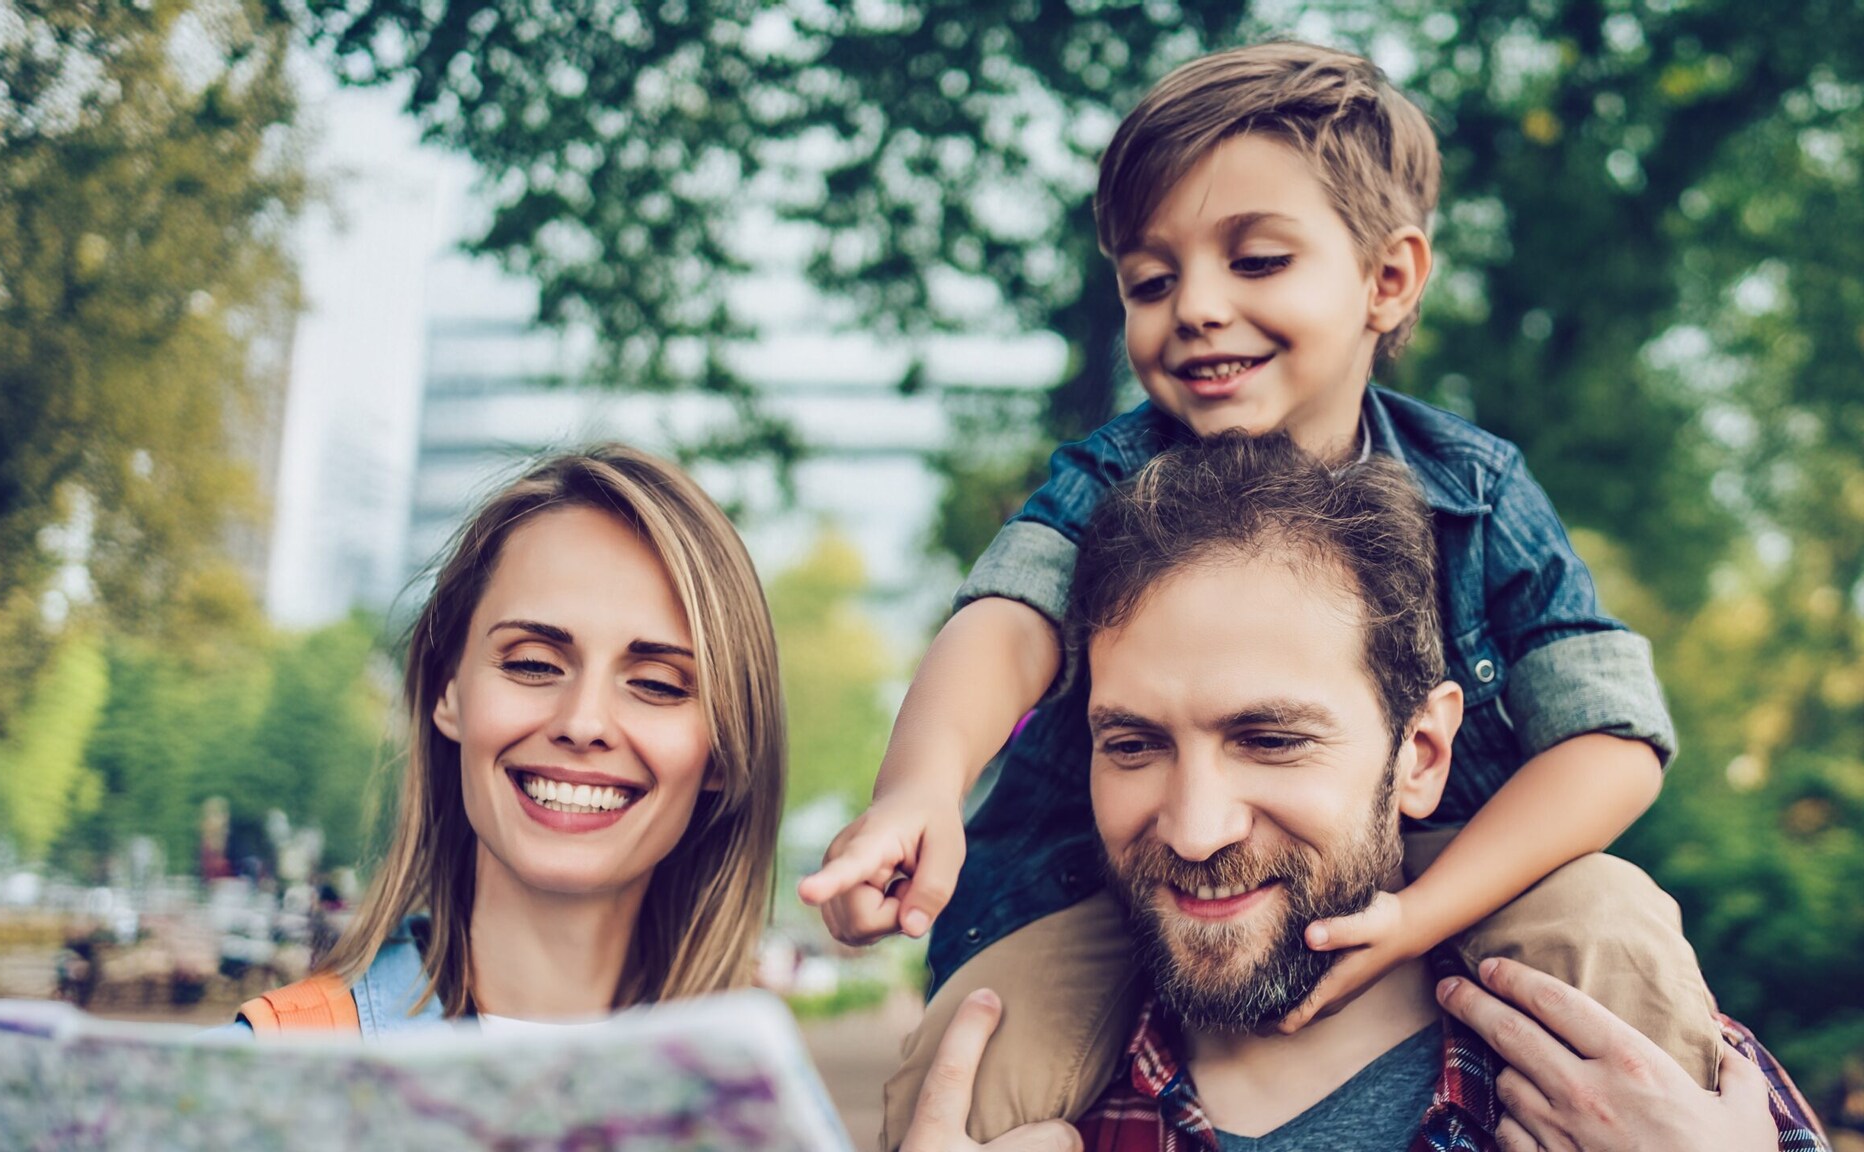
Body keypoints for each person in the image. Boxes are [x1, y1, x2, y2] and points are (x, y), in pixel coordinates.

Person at [799, 42, 1719, 1137]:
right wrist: (917, 790)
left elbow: (1609, 738)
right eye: (1149, 280)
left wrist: (1423, 912)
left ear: (1387, 279)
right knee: (981, 1045)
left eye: (1255, 261)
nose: (1192, 306)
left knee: (1609, 923)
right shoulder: (1106, 481)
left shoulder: (1472, 489)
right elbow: (1002, 625)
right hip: (1112, 882)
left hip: (1424, 849)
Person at [893, 435, 1827, 1152]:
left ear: (1421, 752)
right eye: (1133, 745)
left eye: (1270, 740)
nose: (1195, 826)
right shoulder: (1008, 1107)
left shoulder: (1644, 1078)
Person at [221, 444, 785, 1036]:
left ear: (725, 747)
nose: (584, 722)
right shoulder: (258, 1071)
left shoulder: (762, 1108)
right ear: (449, 692)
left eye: (656, 683)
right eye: (534, 665)